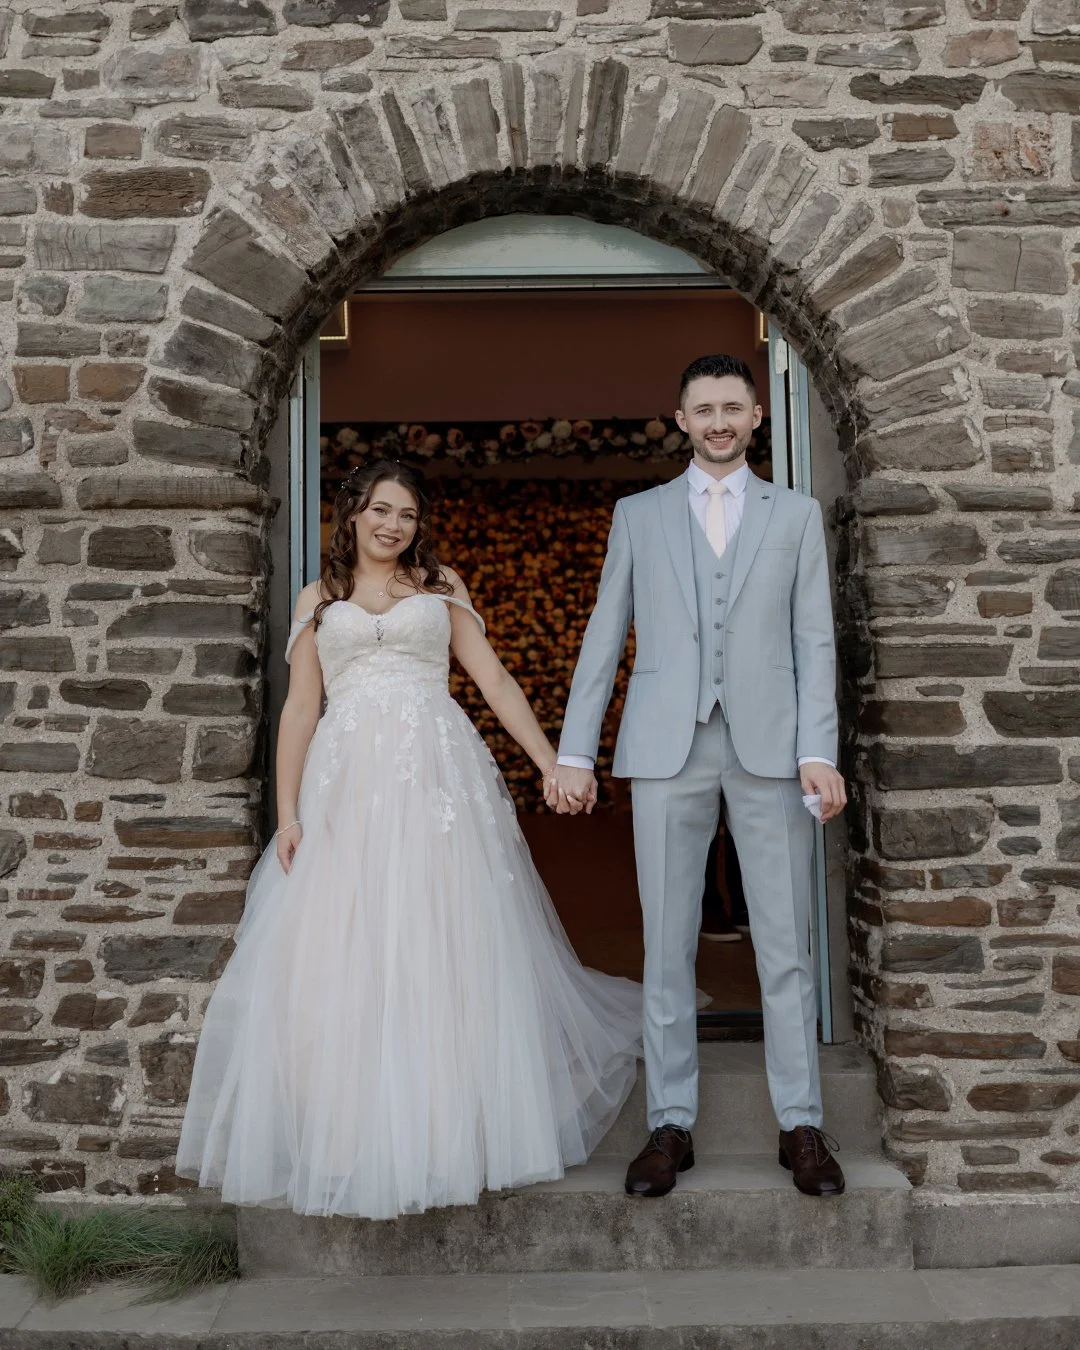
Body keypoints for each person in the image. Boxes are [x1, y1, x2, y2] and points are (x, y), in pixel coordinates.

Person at [176, 459, 641, 1220]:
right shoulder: (319, 599)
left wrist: (551, 761)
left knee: (445, 936)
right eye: (381, 510)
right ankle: (351, 1132)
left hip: (436, 777)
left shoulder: (440, 584)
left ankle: (446, 1123)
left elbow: (491, 680)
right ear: (353, 513)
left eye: (408, 515)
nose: (394, 525)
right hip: (348, 785)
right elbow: (300, 709)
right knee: (343, 945)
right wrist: (288, 814)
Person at [549, 354, 847, 1200]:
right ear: (679, 419)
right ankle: (668, 1124)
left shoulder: (795, 516)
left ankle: (800, 1124)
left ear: (757, 415)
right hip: (665, 748)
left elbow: (813, 641)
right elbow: (605, 635)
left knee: (786, 947)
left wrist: (816, 749)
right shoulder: (637, 516)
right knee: (668, 942)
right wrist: (576, 750)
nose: (718, 421)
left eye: (732, 407)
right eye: (702, 409)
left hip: (771, 747)